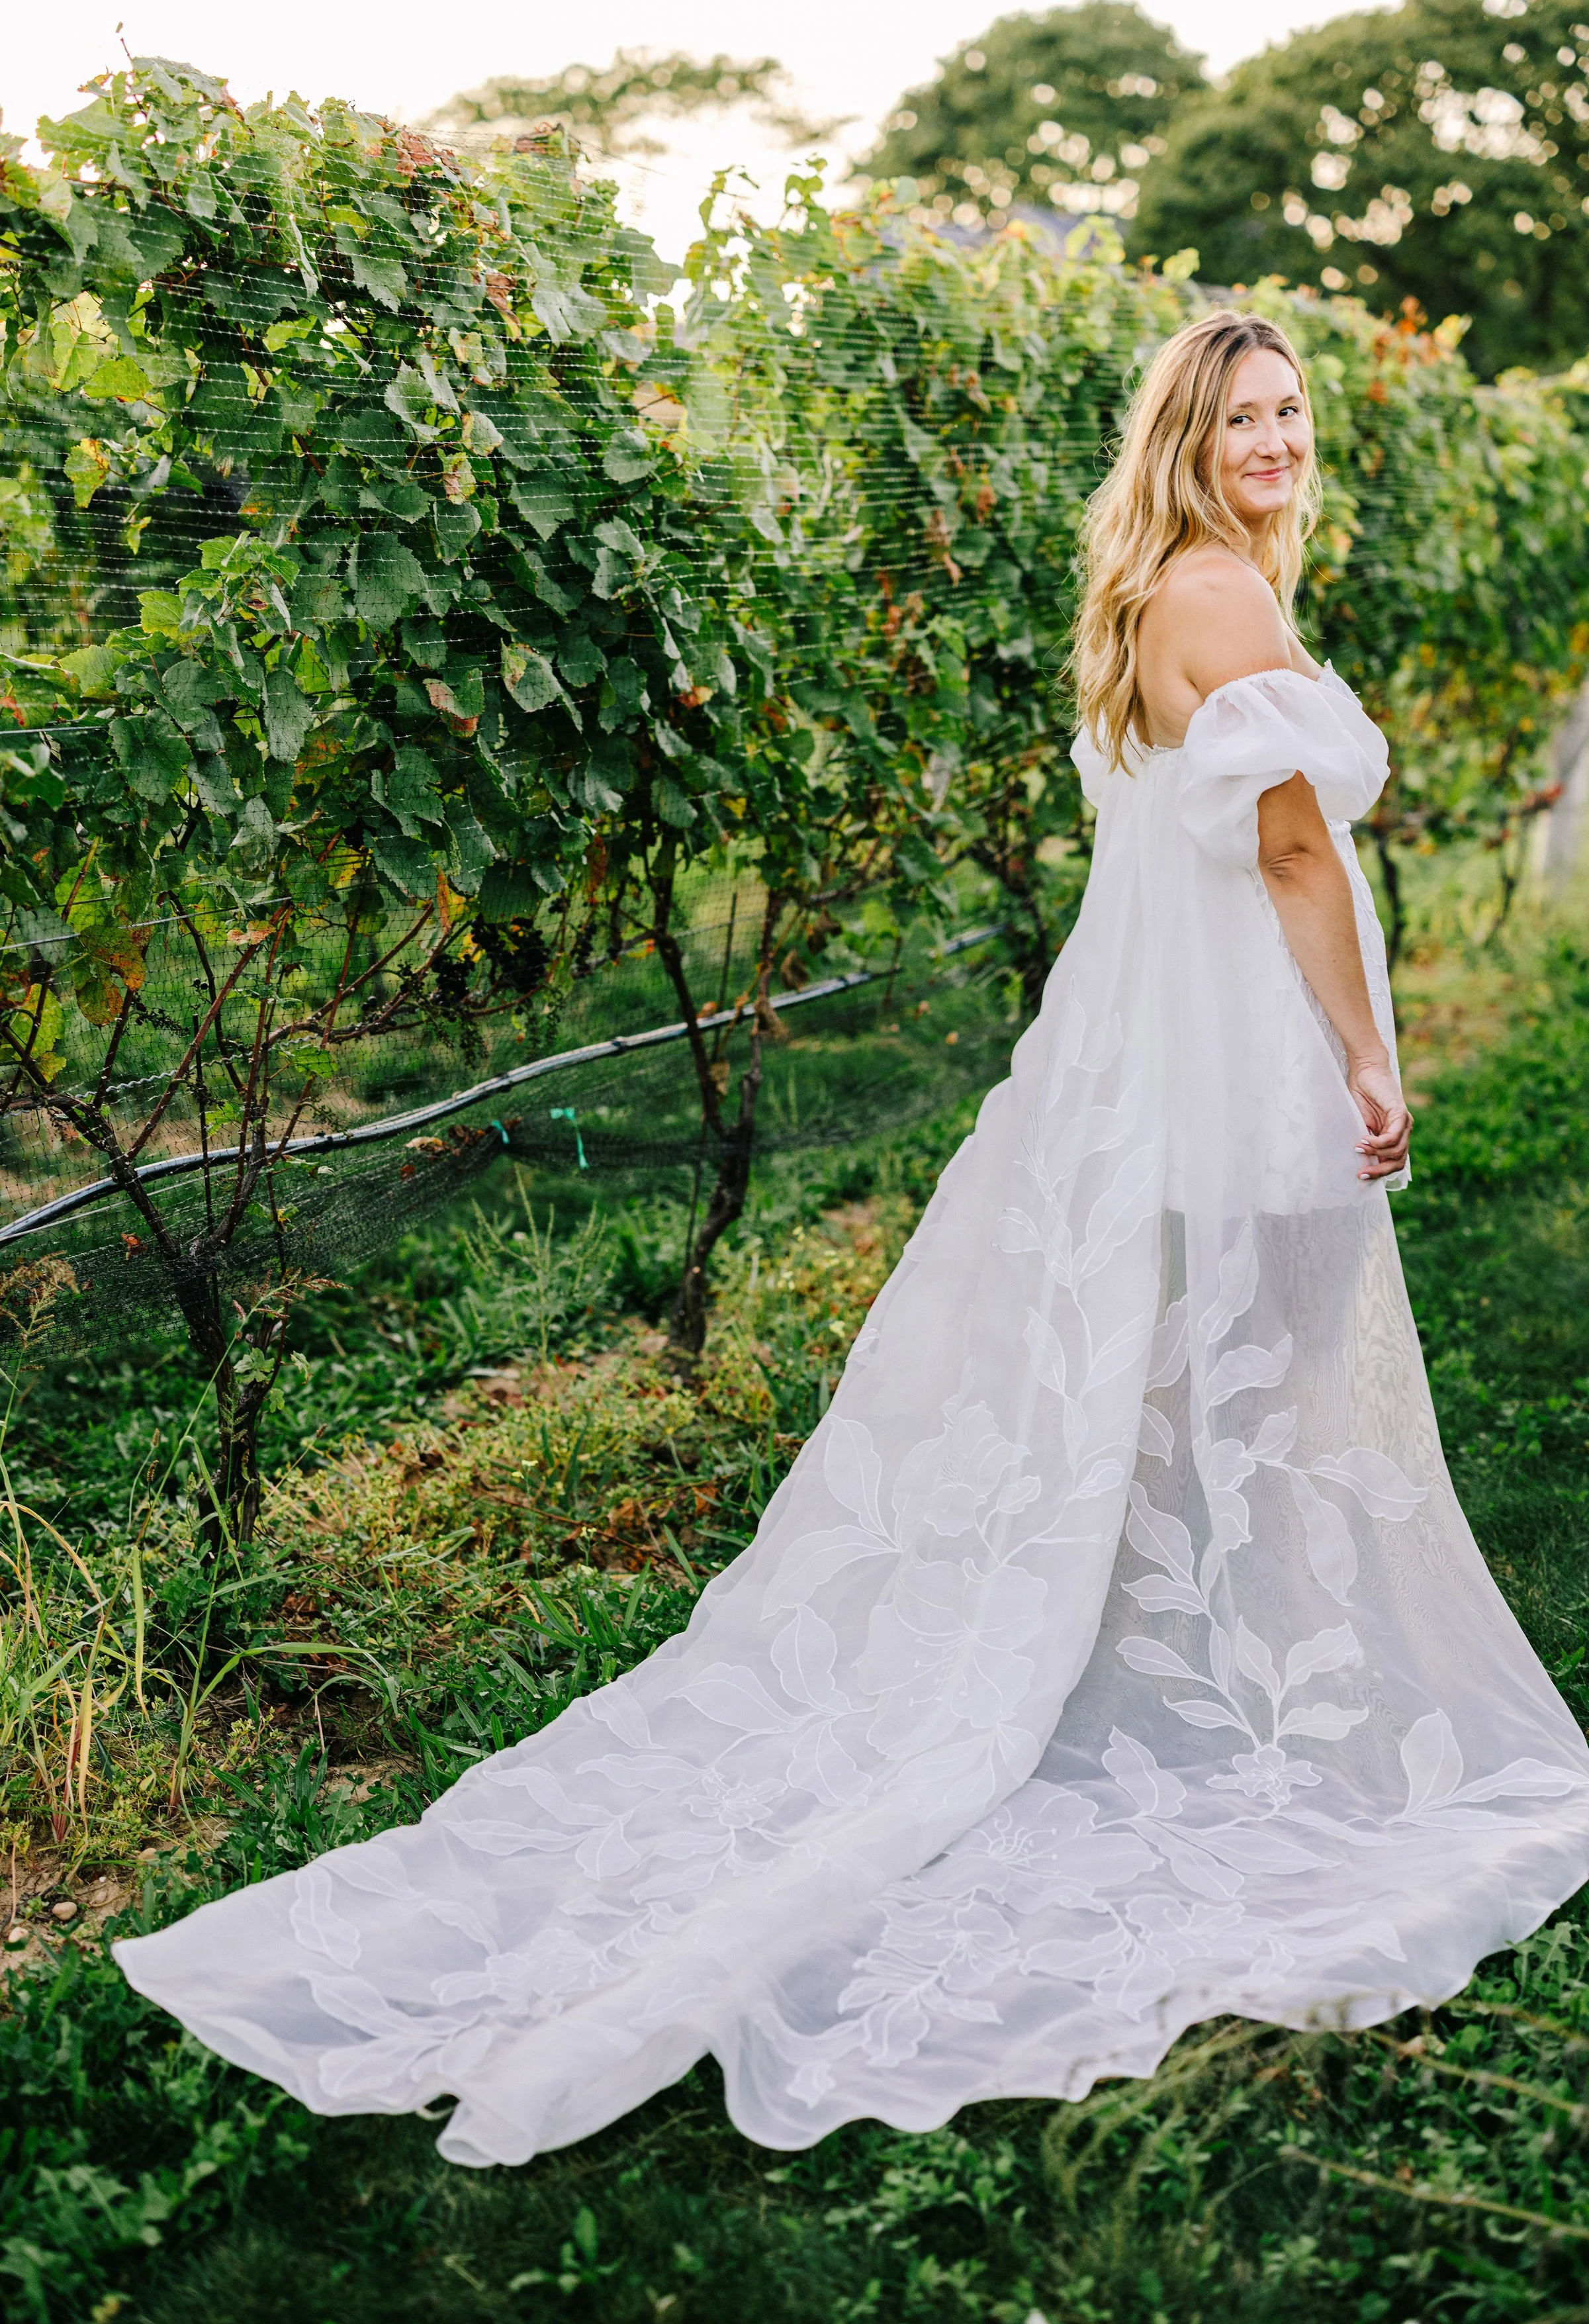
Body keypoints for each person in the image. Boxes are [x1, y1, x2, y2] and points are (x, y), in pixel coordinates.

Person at [116, 312, 1589, 2166]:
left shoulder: (1157, 599)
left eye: (1294, 412)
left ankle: (1225, 1686)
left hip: (1157, 1063)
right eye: (1243, 418)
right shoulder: (1225, 600)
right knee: (1274, 1405)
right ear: (1187, 442)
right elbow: (1297, 859)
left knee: (1194, 1404)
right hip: (1237, 1069)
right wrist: (1367, 1053)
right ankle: (1276, 1720)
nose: (1278, 440)